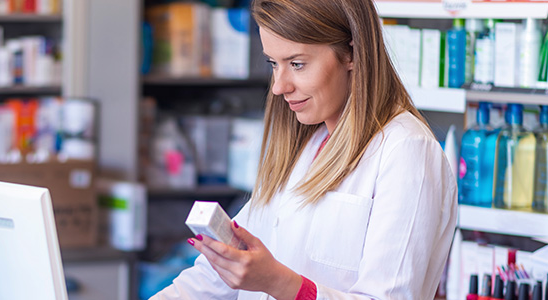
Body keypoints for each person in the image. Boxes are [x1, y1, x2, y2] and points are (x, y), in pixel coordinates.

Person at [150, 0, 458, 299]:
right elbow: (212, 279)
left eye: (297, 64)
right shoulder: (306, 145)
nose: (279, 86)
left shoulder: (406, 151)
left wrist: (278, 282)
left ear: (352, 53)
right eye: (274, 64)